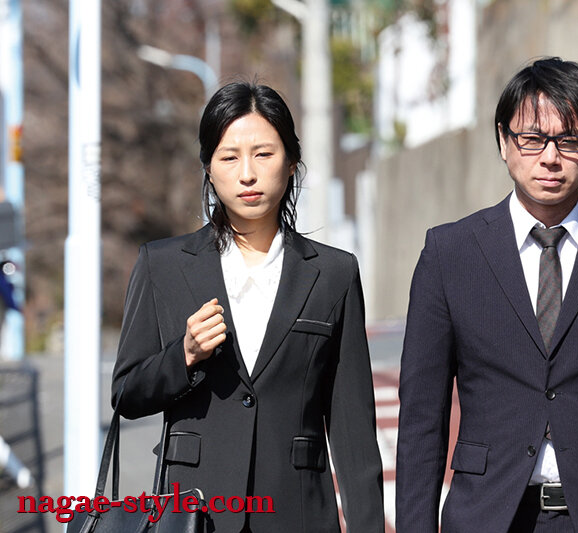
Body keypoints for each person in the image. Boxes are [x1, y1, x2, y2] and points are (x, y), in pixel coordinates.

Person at [396, 57, 578, 532]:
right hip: (487, 516)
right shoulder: (449, 254)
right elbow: (421, 419)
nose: (550, 157)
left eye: (570, 140)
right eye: (532, 139)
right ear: (504, 141)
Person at [112, 82, 384, 533]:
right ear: (208, 167)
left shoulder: (334, 273)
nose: (247, 174)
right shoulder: (162, 265)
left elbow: (353, 430)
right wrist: (184, 355)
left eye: (263, 154)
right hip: (194, 513)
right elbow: (126, 393)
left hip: (298, 514)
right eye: (229, 157)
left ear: (291, 162)